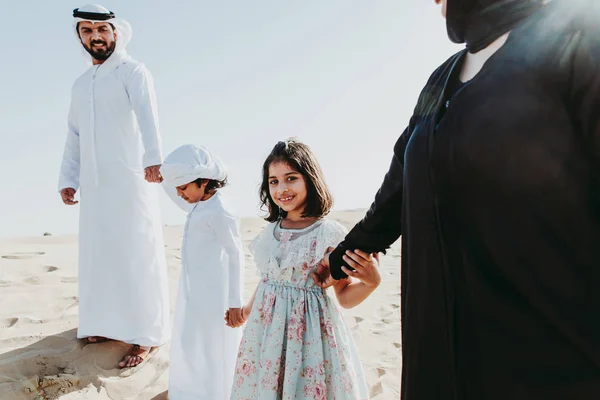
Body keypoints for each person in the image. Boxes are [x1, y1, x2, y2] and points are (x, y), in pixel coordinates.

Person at [313, 0, 600, 398]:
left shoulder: (578, 37)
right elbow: (398, 189)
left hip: (547, 358)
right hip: (436, 356)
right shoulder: (440, 79)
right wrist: (343, 256)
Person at [58, 4, 169, 368]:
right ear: (80, 37)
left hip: (130, 178)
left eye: (100, 29)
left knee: (138, 252)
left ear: (115, 32)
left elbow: (148, 114)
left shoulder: (132, 72)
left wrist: (154, 158)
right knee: (99, 254)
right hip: (94, 184)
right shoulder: (80, 84)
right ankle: (105, 324)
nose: (95, 36)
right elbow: (74, 135)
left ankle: (146, 336)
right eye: (86, 31)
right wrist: (68, 179)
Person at [229, 139, 379, 399]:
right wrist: (245, 310)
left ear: (310, 179)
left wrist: (371, 283)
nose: (281, 188)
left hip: (310, 338)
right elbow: (268, 282)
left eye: (291, 178)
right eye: (273, 181)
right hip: (266, 336)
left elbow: (344, 296)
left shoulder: (329, 234)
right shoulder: (269, 233)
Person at [159, 145, 244, 399]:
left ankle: (219, 392)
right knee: (191, 340)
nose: (179, 193)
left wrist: (235, 302)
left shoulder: (220, 211)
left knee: (213, 345)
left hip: (215, 294)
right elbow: (169, 186)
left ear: (204, 181)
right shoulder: (197, 204)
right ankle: (198, 388)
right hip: (193, 291)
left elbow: (235, 254)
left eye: (183, 187)